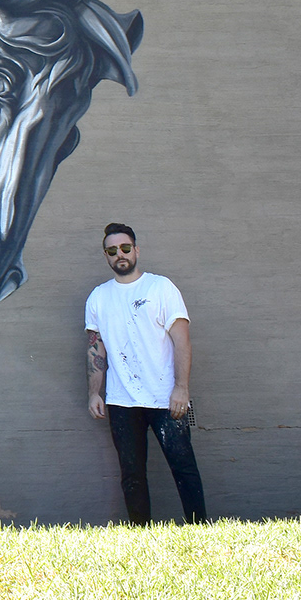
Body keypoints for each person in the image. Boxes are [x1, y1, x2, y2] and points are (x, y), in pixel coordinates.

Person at [85, 222, 205, 524]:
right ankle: (141, 534)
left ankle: (200, 528)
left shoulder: (161, 288)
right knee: (132, 474)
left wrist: (181, 388)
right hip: (122, 400)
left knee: (184, 467)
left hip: (166, 397)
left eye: (125, 248)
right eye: (112, 250)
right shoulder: (98, 297)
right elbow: (96, 348)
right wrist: (94, 393)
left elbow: (182, 341)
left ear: (136, 250)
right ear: (106, 256)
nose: (120, 254)